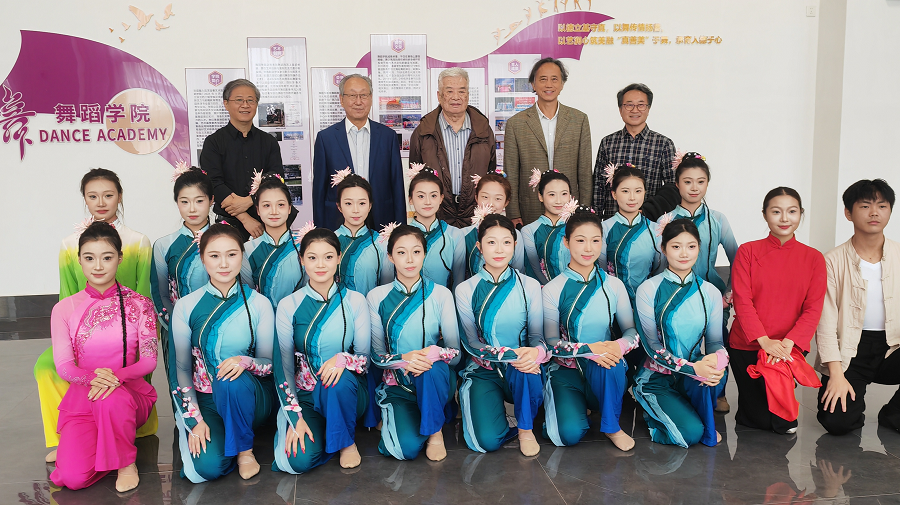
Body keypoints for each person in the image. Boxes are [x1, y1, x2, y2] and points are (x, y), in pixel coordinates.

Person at [36, 168, 155, 463]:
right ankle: (64, 436)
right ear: (85, 199)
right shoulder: (70, 243)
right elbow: (67, 294)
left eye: (108, 195)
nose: (101, 202)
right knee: (45, 367)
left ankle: (131, 426)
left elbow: (144, 291)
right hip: (81, 330)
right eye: (93, 196)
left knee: (132, 358)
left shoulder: (137, 241)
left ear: (120, 197)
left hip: (129, 326)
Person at [49, 222, 158, 492]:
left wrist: (114, 378)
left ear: (120, 258)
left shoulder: (140, 304)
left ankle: (125, 463)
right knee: (73, 479)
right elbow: (64, 366)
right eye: (89, 258)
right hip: (84, 398)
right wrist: (93, 378)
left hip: (127, 397)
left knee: (110, 399)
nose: (98, 266)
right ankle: (99, 443)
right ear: (79, 260)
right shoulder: (63, 309)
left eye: (107, 258)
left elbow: (149, 361)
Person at [168, 224, 275, 482]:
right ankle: (226, 438)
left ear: (242, 255)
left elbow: (269, 363)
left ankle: (244, 452)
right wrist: (194, 419)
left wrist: (245, 362)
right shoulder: (186, 306)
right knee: (208, 467)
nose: (224, 263)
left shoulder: (259, 303)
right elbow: (181, 368)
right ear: (203, 258)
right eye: (214, 255)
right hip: (207, 400)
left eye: (232, 254)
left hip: (250, 396)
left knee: (230, 380)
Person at [272, 228, 371, 473]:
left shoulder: (356, 301)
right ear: (301, 260)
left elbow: (365, 360)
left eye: (328, 257)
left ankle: (346, 443)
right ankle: (327, 430)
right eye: (312, 257)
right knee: (299, 460)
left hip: (347, 392)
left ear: (339, 258)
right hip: (306, 395)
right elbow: (284, 368)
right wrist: (294, 417)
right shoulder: (288, 305)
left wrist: (343, 359)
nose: (320, 265)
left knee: (337, 379)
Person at [542, 208, 639, 451]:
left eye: (595, 240)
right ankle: (571, 408)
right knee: (567, 435)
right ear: (566, 242)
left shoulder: (614, 285)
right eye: (580, 240)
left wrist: (618, 346)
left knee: (612, 359)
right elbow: (551, 341)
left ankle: (612, 426)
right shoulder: (553, 289)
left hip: (604, 369)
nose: (588, 248)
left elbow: (631, 331)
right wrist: (588, 349)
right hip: (567, 372)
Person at [730, 187, 825, 434]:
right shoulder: (748, 251)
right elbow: (742, 300)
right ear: (764, 214)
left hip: (788, 346)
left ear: (801, 213)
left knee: (782, 421)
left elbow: (813, 308)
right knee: (757, 419)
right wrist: (764, 342)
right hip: (748, 344)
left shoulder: (814, 258)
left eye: (792, 211)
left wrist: (786, 345)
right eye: (776, 212)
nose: (784, 218)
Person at [367, 225, 461, 461]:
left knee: (430, 368)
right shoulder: (376, 297)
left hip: (435, 378)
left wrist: (432, 354)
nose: (410, 259)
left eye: (416, 252)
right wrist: (405, 359)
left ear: (425, 253)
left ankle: (436, 434)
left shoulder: (441, 294)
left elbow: (455, 353)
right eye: (401, 252)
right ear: (390, 257)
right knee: (404, 450)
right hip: (399, 384)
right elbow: (376, 356)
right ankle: (410, 416)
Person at [456, 214, 548, 456]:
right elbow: (471, 342)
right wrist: (509, 354)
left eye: (506, 242)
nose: (499, 250)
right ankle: (502, 417)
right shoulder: (465, 289)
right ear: (479, 246)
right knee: (486, 441)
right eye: (491, 242)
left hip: (521, 367)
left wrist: (535, 352)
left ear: (515, 245)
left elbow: (537, 335)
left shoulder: (529, 285)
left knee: (527, 366)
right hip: (484, 369)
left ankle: (526, 429)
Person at [633, 218, 727, 448]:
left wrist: (718, 359)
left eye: (691, 246)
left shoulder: (710, 292)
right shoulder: (648, 289)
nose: (684, 253)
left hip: (693, 375)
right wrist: (694, 368)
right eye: (676, 246)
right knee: (690, 434)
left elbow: (715, 342)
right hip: (657, 378)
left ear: (699, 248)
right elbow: (653, 347)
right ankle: (654, 416)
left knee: (718, 373)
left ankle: (686, 410)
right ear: (664, 249)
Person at [816, 179, 900, 435]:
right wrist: (836, 375)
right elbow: (826, 323)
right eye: (865, 206)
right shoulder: (831, 261)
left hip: (893, 346)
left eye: (882, 206)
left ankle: (894, 414)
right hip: (850, 351)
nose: (874, 212)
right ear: (848, 213)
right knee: (838, 423)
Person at [667, 152, 738, 413]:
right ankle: (679, 387)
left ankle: (719, 392)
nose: (694, 187)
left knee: (718, 342)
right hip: (676, 296)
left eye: (700, 181)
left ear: (708, 183)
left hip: (712, 295)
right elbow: (659, 263)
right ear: (677, 184)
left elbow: (737, 258)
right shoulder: (665, 221)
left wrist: (729, 293)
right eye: (687, 181)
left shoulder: (718, 219)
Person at [505, 58, 593, 226]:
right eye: (543, 79)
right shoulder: (516, 123)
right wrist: (513, 212)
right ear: (533, 84)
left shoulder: (579, 120)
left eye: (554, 79)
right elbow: (512, 172)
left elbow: (584, 171)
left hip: (569, 206)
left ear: (562, 84)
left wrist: (584, 209)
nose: (549, 85)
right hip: (530, 206)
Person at [313, 74, 405, 230]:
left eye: (363, 95)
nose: (358, 101)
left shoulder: (388, 136)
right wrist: (320, 233)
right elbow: (319, 191)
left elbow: (397, 185)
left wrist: (400, 229)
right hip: (338, 222)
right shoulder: (326, 138)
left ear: (371, 98)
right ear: (341, 99)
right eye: (352, 95)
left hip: (381, 219)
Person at [201, 78, 287, 242]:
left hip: (267, 222)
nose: (245, 105)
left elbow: (277, 179)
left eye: (250, 100)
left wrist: (250, 200)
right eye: (239, 100)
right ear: (226, 104)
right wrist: (245, 218)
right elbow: (214, 184)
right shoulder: (213, 142)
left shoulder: (268, 142)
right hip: (228, 225)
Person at [409, 67, 496, 227]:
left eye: (461, 91)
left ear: (468, 95)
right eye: (449, 91)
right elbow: (416, 176)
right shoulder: (423, 132)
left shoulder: (483, 130)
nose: (456, 97)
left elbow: (491, 171)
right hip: (436, 213)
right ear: (439, 96)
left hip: (475, 214)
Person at [151, 165, 212, 370]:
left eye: (199, 201)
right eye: (184, 201)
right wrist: (179, 326)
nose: (192, 209)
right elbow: (160, 294)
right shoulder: (163, 245)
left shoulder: (227, 240)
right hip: (176, 329)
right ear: (176, 202)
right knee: (181, 385)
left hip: (219, 326)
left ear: (211, 200)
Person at [592, 83, 676, 220]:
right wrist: (595, 219)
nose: (635, 110)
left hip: (649, 223)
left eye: (641, 105)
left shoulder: (663, 144)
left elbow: (671, 187)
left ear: (648, 109)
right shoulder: (608, 143)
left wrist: (650, 211)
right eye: (629, 105)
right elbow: (599, 185)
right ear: (620, 109)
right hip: (612, 221)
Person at [240, 175, 304, 308]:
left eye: (280, 205)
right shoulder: (248, 249)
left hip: (300, 315)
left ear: (289, 208)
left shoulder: (304, 245)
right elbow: (248, 295)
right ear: (258, 210)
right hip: (262, 316)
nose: (274, 211)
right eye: (266, 205)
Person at [332, 172, 393, 294]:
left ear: (370, 206)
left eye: (362, 203)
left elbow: (386, 289)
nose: (356, 210)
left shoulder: (381, 242)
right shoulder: (329, 241)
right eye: (348, 203)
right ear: (339, 206)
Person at [407, 167, 466, 289]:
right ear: (410, 199)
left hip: (444, 300)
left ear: (441, 198)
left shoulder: (455, 235)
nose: (428, 202)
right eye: (421, 196)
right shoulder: (401, 236)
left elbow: (459, 281)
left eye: (433, 195)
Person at [461, 170, 525, 278]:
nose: (490, 204)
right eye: (485, 197)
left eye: (498, 199)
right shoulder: (462, 235)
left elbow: (519, 271)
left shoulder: (515, 234)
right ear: (476, 197)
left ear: (506, 202)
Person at [521, 169, 574, 284]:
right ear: (540, 196)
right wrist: (551, 290)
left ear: (570, 196)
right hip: (542, 290)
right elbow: (534, 268)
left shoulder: (577, 227)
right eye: (552, 194)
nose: (559, 201)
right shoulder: (529, 231)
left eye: (564, 194)